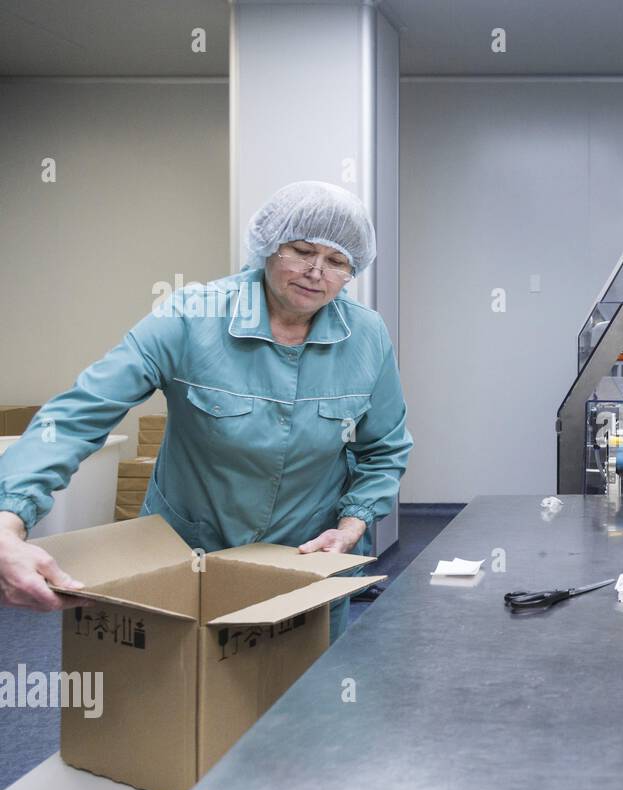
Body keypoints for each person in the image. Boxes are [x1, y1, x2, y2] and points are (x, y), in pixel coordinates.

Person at [0, 181, 413, 642]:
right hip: (186, 560)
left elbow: (384, 448)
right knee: (178, 702)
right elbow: (80, 414)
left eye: (336, 261)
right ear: (269, 246)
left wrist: (351, 526)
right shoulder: (191, 315)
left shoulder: (367, 336)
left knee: (305, 705)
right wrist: (8, 518)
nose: (316, 271)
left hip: (304, 564)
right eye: (301, 250)